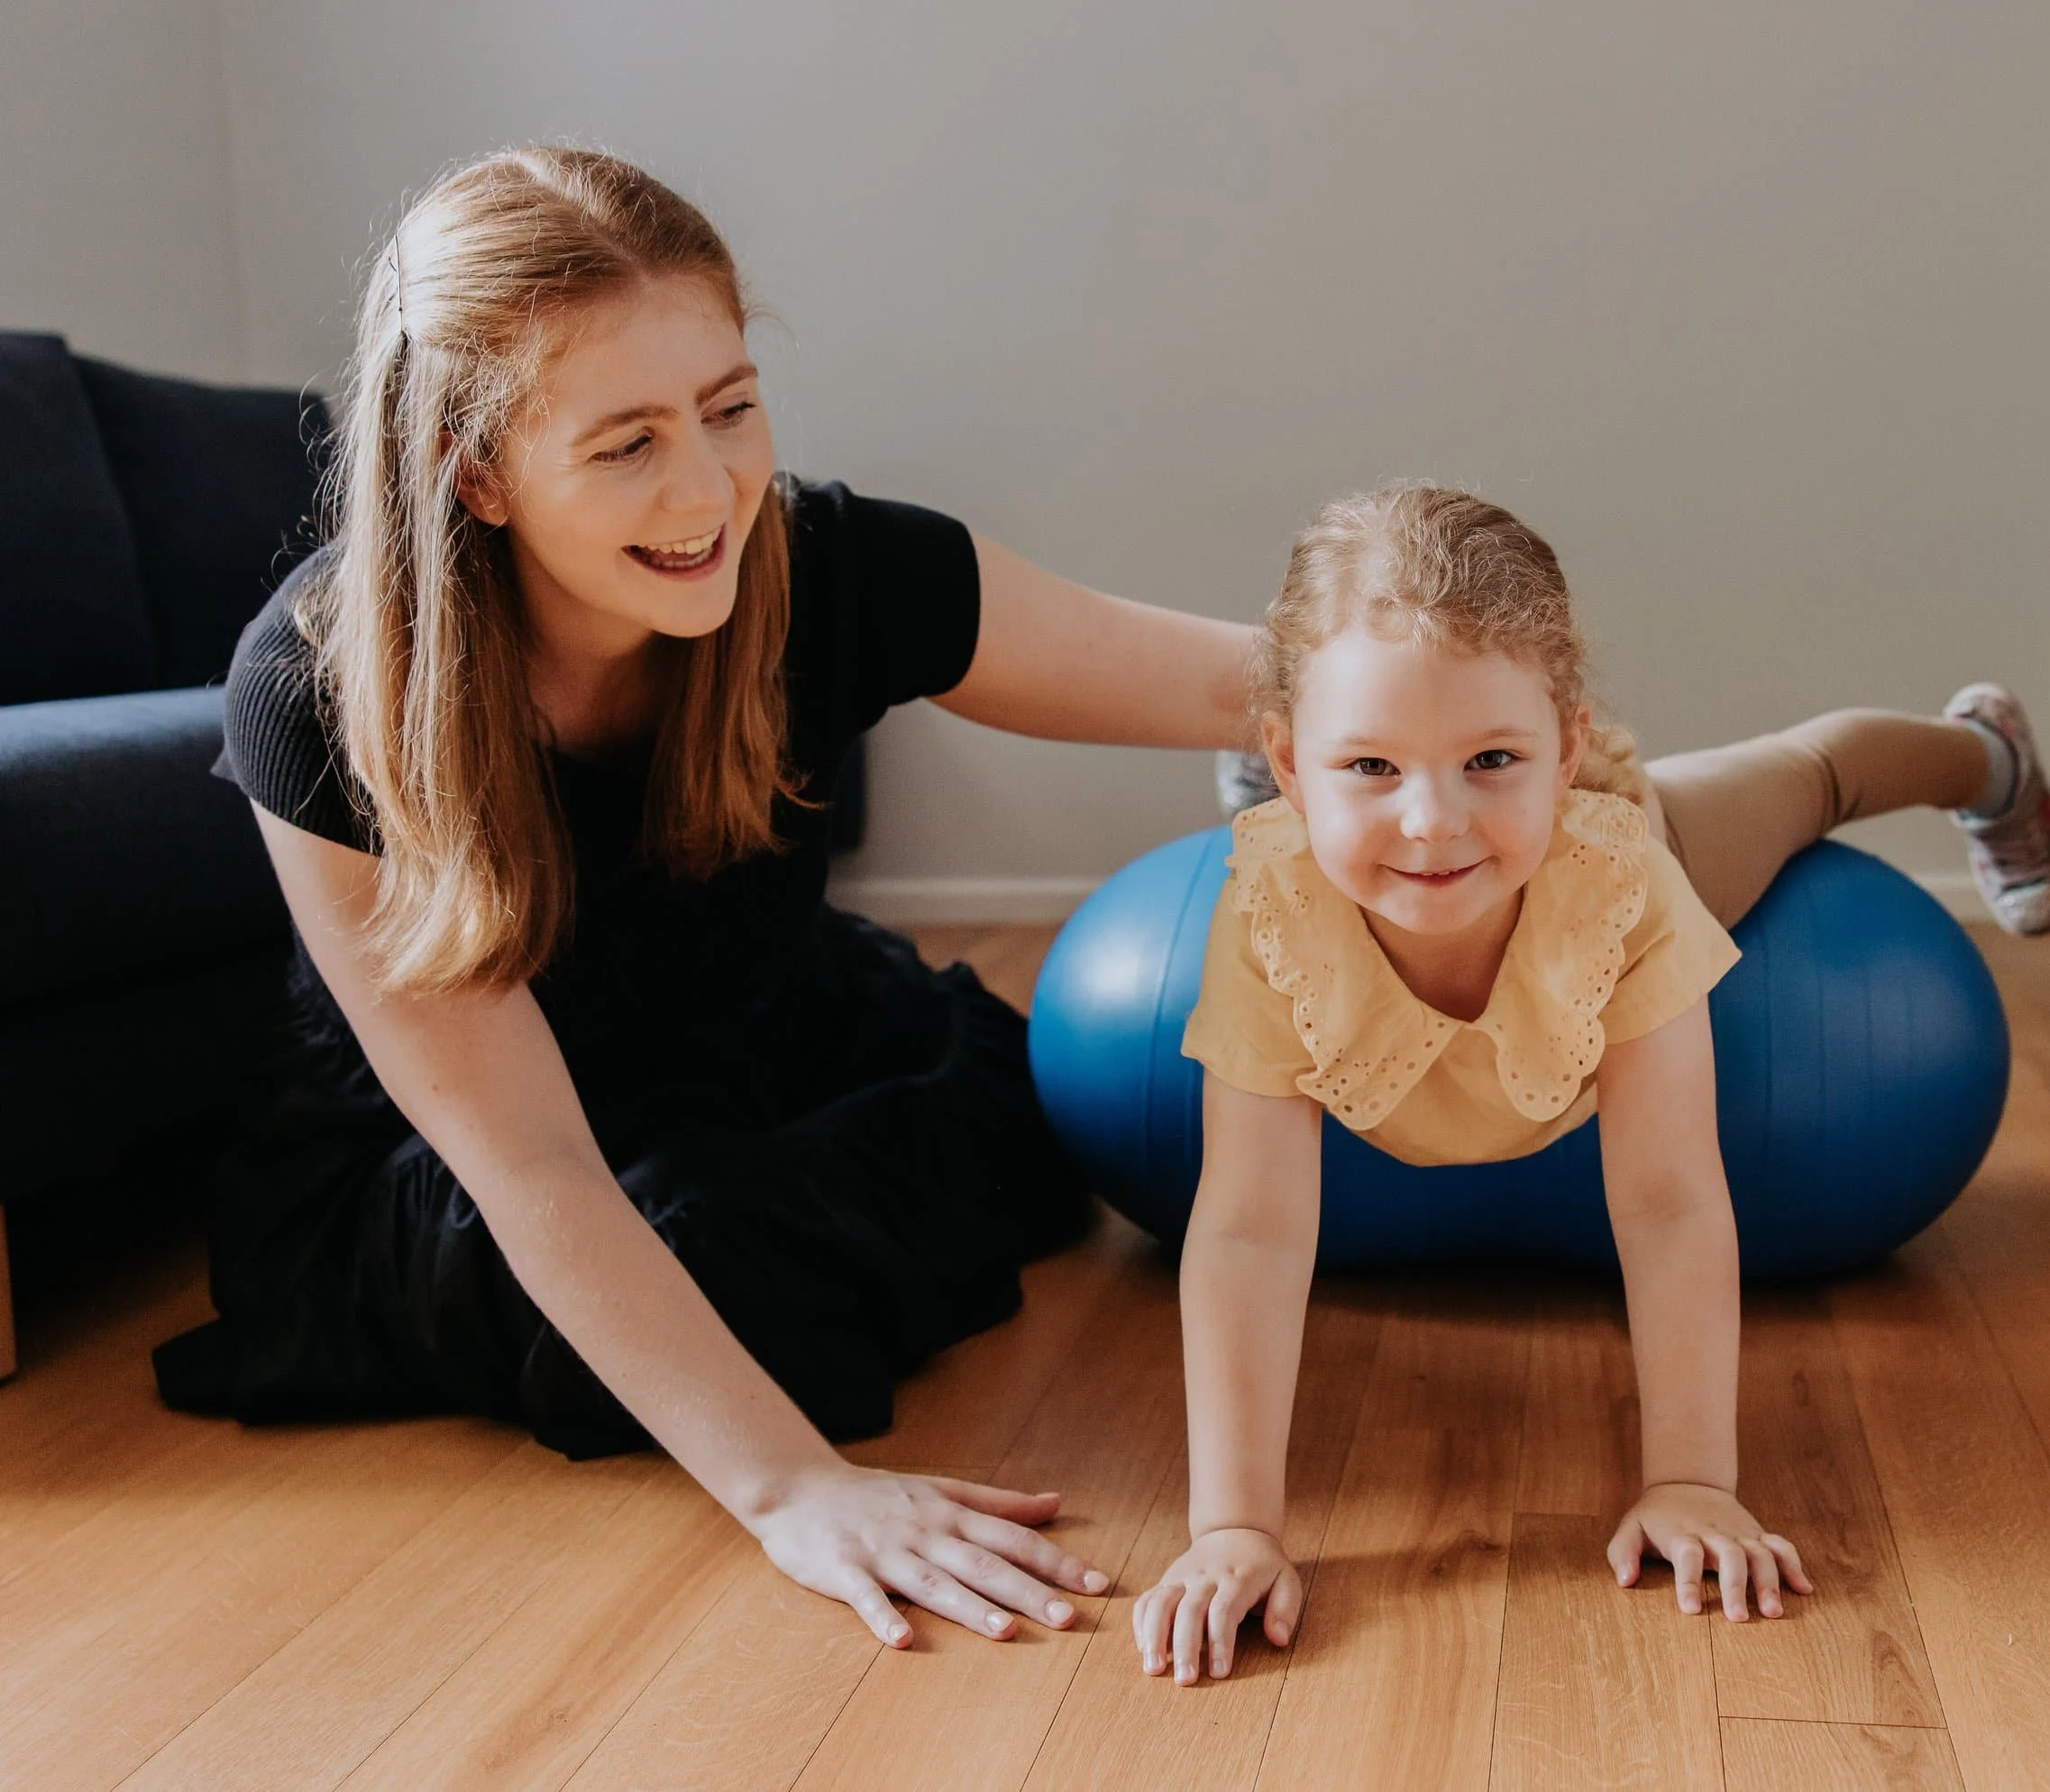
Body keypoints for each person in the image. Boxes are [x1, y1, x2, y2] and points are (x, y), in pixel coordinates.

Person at [151, 145, 1258, 1650]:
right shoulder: (312, 689)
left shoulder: (827, 558)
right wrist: (795, 1488)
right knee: (718, 1271)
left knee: (1005, 1110)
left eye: (730, 407)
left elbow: (1227, 677)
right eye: (626, 445)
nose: (708, 489)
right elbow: (532, 1162)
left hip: (754, 1027)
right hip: (470, 1151)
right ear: (475, 473)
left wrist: (1515, 740)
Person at [1135, 481, 2050, 1683]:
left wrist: (1692, 1480)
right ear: (1283, 760)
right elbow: (1252, 1226)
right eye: (1371, 765)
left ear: (1567, 747)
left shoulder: (1624, 882)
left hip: (1631, 846)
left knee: (1812, 774)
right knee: (1398, 819)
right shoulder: (1267, 915)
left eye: (1491, 757)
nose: (1431, 822)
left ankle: (1990, 757)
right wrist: (1233, 1528)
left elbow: (1672, 1198)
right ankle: (1401, 767)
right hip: (1372, 854)